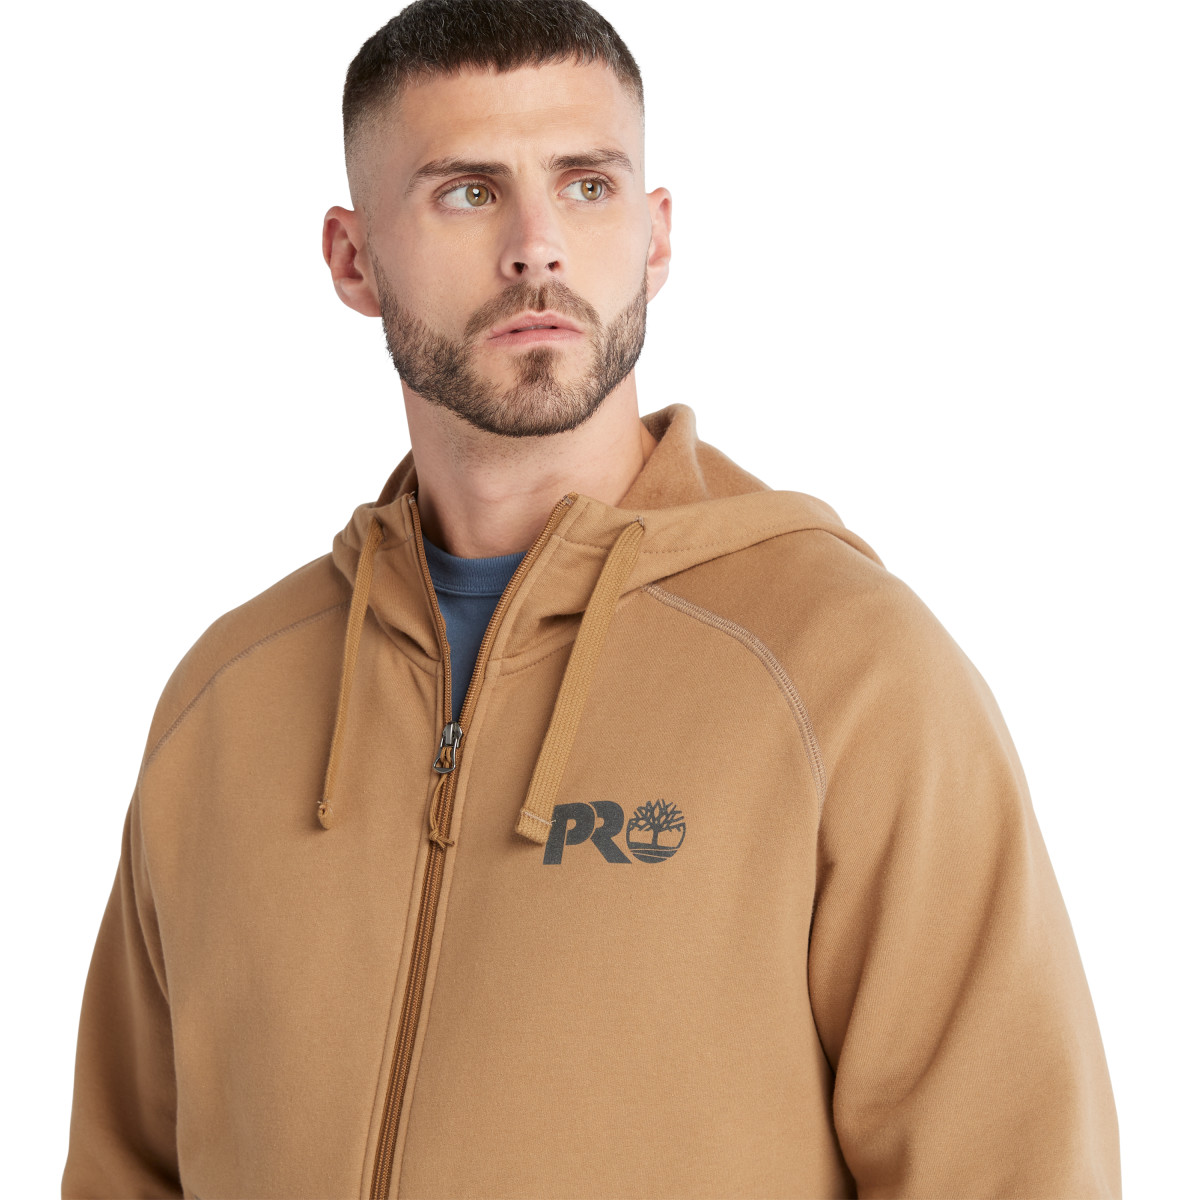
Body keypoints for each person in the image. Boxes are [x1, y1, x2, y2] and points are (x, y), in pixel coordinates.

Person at [62, 1, 1121, 1196]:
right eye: (468, 191)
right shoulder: (226, 702)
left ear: (656, 238)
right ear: (353, 261)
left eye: (586, 186)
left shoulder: (846, 674)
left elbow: (1014, 1170)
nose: (537, 247)